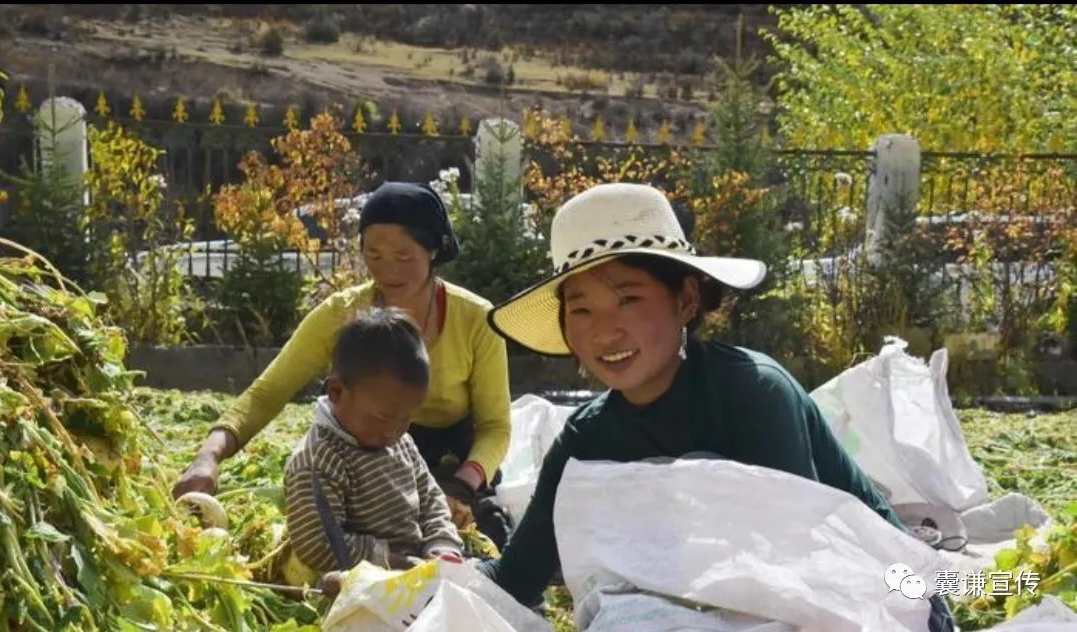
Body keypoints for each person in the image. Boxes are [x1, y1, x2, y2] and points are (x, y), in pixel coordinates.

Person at [477, 182, 956, 631]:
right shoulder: (587, 439)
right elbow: (517, 578)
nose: (604, 331)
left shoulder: (752, 393)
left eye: (627, 299)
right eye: (581, 309)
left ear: (686, 299)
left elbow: (802, 568)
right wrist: (433, 578)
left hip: (875, 596)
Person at [172, 181, 514, 548]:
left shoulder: (477, 319)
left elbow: (495, 426)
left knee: (480, 533)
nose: (387, 269)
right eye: (374, 254)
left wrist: (461, 486)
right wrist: (208, 456)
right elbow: (269, 392)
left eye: (403, 256)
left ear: (434, 251)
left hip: (447, 463)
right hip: (358, 456)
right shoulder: (341, 313)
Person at [283, 307, 464, 583]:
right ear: (337, 392)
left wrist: (441, 544)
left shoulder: (400, 440)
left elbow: (430, 497)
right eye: (383, 418)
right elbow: (319, 544)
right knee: (336, 583)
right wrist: (397, 563)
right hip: (368, 574)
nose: (394, 431)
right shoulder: (318, 460)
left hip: (417, 563)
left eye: (406, 418)